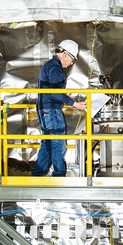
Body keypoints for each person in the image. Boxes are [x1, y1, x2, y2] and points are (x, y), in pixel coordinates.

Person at [32, 39, 87, 177]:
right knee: (58, 143)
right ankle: (59, 175)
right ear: (65, 54)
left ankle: (38, 175)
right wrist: (75, 104)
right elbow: (55, 92)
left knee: (48, 143)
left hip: (45, 109)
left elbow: (53, 91)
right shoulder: (56, 68)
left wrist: (70, 100)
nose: (72, 62)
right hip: (51, 111)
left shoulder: (50, 65)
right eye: (72, 58)